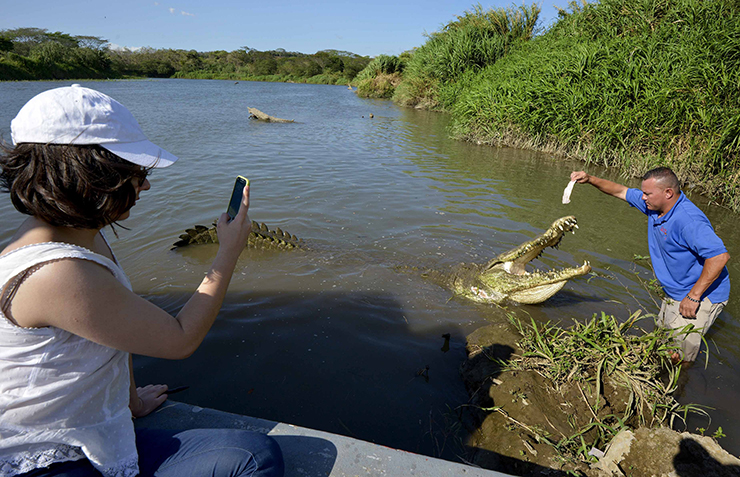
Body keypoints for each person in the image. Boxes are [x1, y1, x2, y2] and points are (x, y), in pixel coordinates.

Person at [0, 85, 284, 477]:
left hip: (88, 432)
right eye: (134, 172)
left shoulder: (78, 234)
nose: (145, 185)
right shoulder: (56, 272)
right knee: (255, 460)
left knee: (250, 450)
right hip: (47, 462)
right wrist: (227, 253)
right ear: (91, 175)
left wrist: (130, 403)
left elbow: (112, 331)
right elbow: (180, 338)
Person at [570, 167, 730, 365]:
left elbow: (719, 257)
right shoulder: (655, 207)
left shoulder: (688, 220)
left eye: (647, 194)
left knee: (679, 357)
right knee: (661, 342)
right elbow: (620, 191)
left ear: (668, 193)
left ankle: (675, 390)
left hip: (702, 294)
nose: (643, 197)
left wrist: (694, 296)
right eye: (643, 193)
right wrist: (590, 179)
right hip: (676, 291)